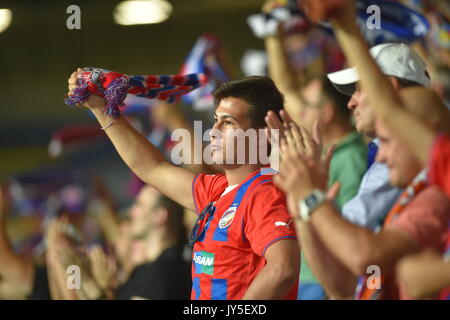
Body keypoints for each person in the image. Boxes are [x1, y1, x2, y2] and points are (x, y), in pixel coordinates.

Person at [67, 73, 300, 300]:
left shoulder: (264, 193)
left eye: (228, 122)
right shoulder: (217, 191)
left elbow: (283, 269)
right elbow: (151, 168)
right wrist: (99, 107)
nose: (214, 131)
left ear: (263, 134)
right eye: (216, 120)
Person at [115, 185, 191, 300]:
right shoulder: (147, 268)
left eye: (139, 205)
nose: (132, 212)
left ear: (159, 216)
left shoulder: (163, 272)